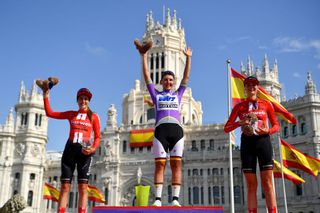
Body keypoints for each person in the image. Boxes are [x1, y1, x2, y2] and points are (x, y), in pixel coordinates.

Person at [134, 39, 192, 207]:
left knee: (176, 164)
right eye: (165, 80)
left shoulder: (178, 94)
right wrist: (144, 55)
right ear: (161, 82)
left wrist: (188, 58)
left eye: (171, 80)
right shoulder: (156, 95)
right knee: (160, 165)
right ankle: (158, 199)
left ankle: (175, 199)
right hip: (160, 132)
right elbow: (146, 76)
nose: (168, 82)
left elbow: (186, 77)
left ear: (174, 82)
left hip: (177, 132)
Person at [36, 78, 100, 213]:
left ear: (89, 101)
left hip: (85, 154)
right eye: (81, 98)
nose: (83, 101)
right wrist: (46, 95)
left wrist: (93, 148)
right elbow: (50, 113)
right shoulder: (71, 114)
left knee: (83, 187)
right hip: (69, 152)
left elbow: (98, 137)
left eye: (86, 99)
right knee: (65, 186)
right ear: (77, 101)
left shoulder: (94, 117)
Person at [224, 76, 279, 213]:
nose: (251, 88)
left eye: (254, 85)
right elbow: (227, 128)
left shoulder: (266, 104)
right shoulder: (240, 106)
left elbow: (276, 125)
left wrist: (268, 130)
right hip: (247, 144)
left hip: (263, 141)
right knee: (251, 184)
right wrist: (240, 123)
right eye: (248, 85)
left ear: (257, 88)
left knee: (267, 183)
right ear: (245, 89)